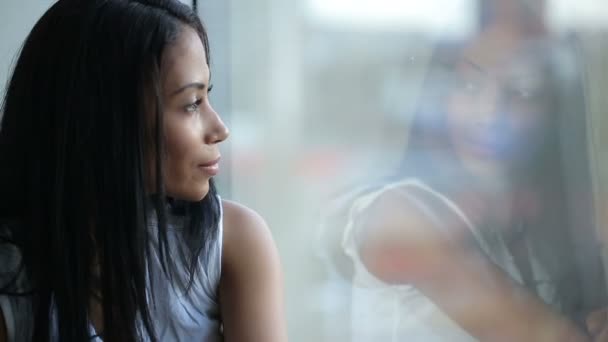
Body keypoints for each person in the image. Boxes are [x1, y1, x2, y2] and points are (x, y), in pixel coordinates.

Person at [0, 0, 287, 341]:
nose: (220, 128)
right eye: (191, 103)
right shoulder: (11, 270)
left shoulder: (233, 242)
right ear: (106, 120)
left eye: (205, 95)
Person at [334, 2, 606, 341]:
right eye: (470, 86)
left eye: (520, 92)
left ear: (551, 111)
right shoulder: (400, 214)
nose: (489, 113)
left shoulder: (532, 223)